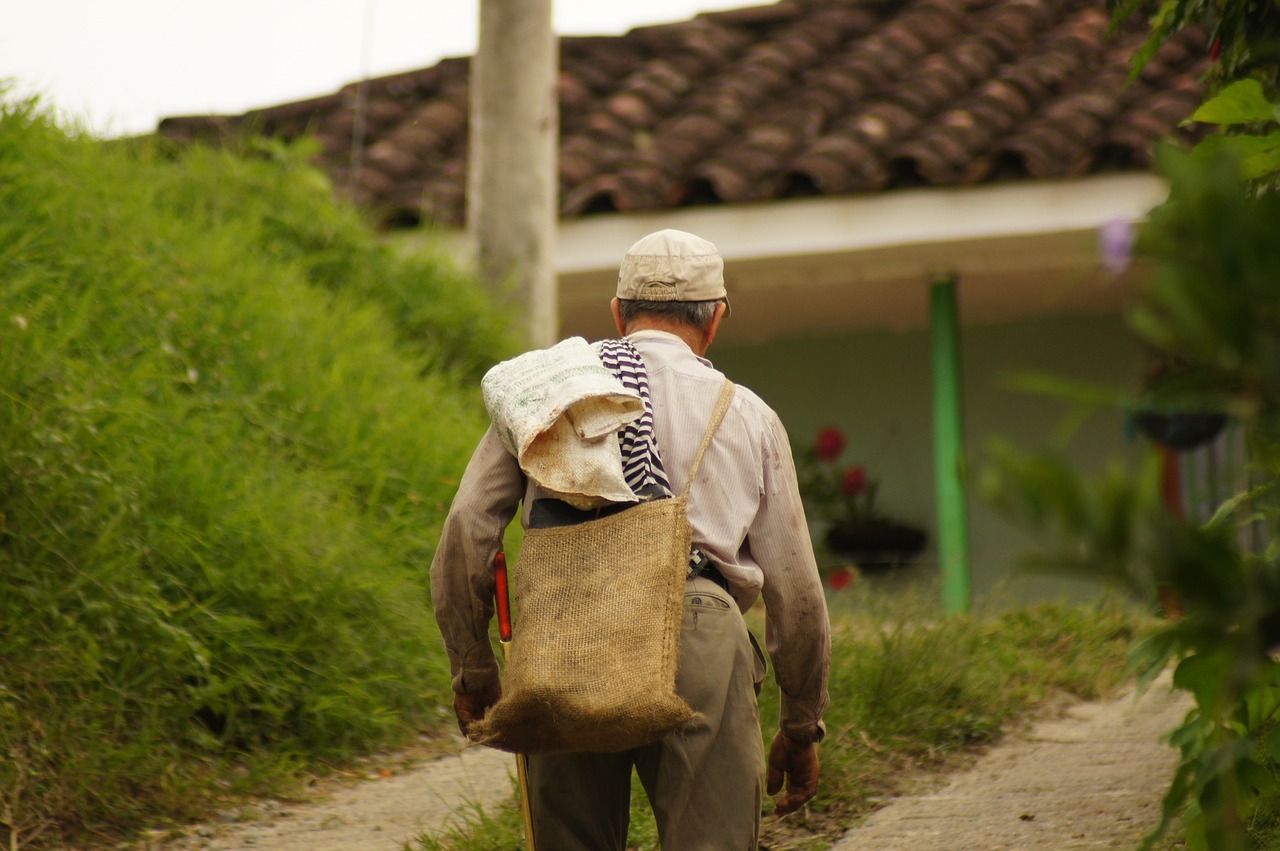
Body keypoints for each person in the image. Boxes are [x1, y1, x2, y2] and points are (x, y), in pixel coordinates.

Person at [430, 229, 831, 849]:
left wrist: (473, 666)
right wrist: (802, 725)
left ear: (618, 313)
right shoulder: (749, 415)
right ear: (716, 319)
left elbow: (466, 528)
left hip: (570, 636)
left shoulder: (554, 395)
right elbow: (798, 592)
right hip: (702, 631)